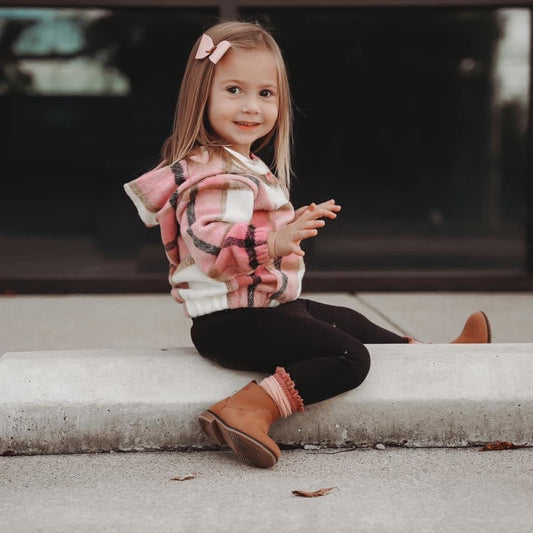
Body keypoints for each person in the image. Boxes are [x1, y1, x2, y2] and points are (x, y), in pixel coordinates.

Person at [124, 21, 491, 469]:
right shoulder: (216, 174)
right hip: (231, 325)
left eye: (266, 94)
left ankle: (434, 361)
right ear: (202, 95)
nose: (252, 107)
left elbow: (240, 230)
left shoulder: (240, 163)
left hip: (261, 310)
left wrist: (287, 226)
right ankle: (249, 407)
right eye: (234, 90)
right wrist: (274, 240)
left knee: (350, 319)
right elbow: (210, 246)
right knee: (347, 355)